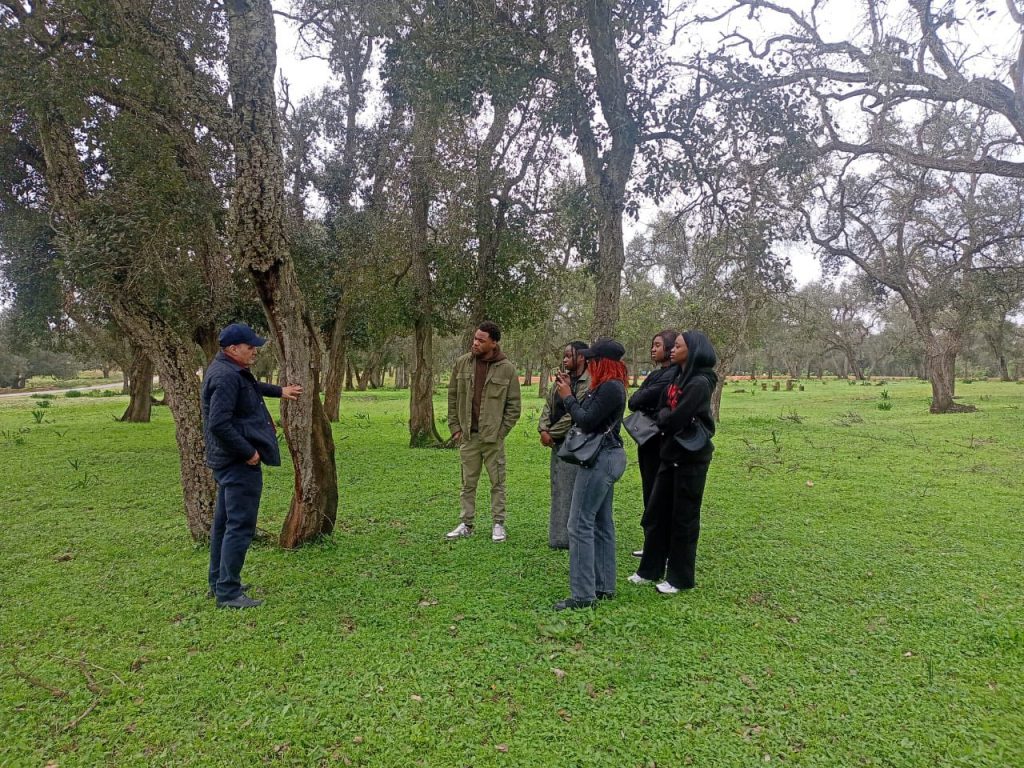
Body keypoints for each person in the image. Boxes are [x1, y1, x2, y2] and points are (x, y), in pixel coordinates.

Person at [203, 322, 302, 609]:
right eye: (250, 347)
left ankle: (218, 582)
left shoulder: (228, 370)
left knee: (222, 524)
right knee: (239, 526)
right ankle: (229, 593)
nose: (254, 351)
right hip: (236, 462)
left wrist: (280, 391)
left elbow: (251, 387)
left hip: (226, 461)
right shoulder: (226, 377)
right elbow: (219, 423)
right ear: (233, 349)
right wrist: (249, 453)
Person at [630, 330, 718, 594]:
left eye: (677, 346)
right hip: (670, 453)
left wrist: (665, 415)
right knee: (657, 513)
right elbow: (661, 410)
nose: (672, 350)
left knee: (684, 518)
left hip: (690, 457)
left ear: (692, 350)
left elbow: (673, 417)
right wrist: (665, 415)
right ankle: (650, 569)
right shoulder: (678, 377)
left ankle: (680, 578)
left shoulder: (700, 382)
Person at [551, 338, 628, 610]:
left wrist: (567, 398)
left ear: (601, 363)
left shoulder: (610, 389)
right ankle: (604, 585)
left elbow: (585, 420)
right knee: (601, 522)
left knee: (579, 523)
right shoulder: (612, 387)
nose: (588, 365)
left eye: (592, 361)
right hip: (610, 457)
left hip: (600, 459)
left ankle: (583, 596)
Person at [446, 321, 522, 542]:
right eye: (475, 338)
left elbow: (514, 406)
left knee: (497, 482)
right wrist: (455, 428)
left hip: (492, 439)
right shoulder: (462, 364)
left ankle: (498, 524)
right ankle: (466, 523)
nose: (476, 343)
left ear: (494, 342)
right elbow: (452, 397)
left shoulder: (507, 368)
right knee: (467, 483)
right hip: (468, 436)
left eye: (481, 340)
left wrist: (500, 432)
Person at [626, 330, 678, 558]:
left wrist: (644, 398)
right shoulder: (657, 374)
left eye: (658, 345)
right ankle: (651, 541)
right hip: (646, 440)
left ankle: (662, 546)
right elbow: (634, 401)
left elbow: (641, 399)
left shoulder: (673, 375)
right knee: (649, 490)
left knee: (659, 493)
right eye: (652, 345)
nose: (653, 349)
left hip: (660, 442)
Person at [538, 341, 590, 549]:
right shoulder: (560, 380)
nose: (565, 359)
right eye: (564, 356)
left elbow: (574, 415)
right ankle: (559, 537)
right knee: (559, 488)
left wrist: (552, 432)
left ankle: (570, 537)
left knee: (572, 490)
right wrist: (543, 429)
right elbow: (548, 404)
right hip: (557, 444)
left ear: (581, 357)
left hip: (576, 444)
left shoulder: (588, 383)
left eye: (569, 356)